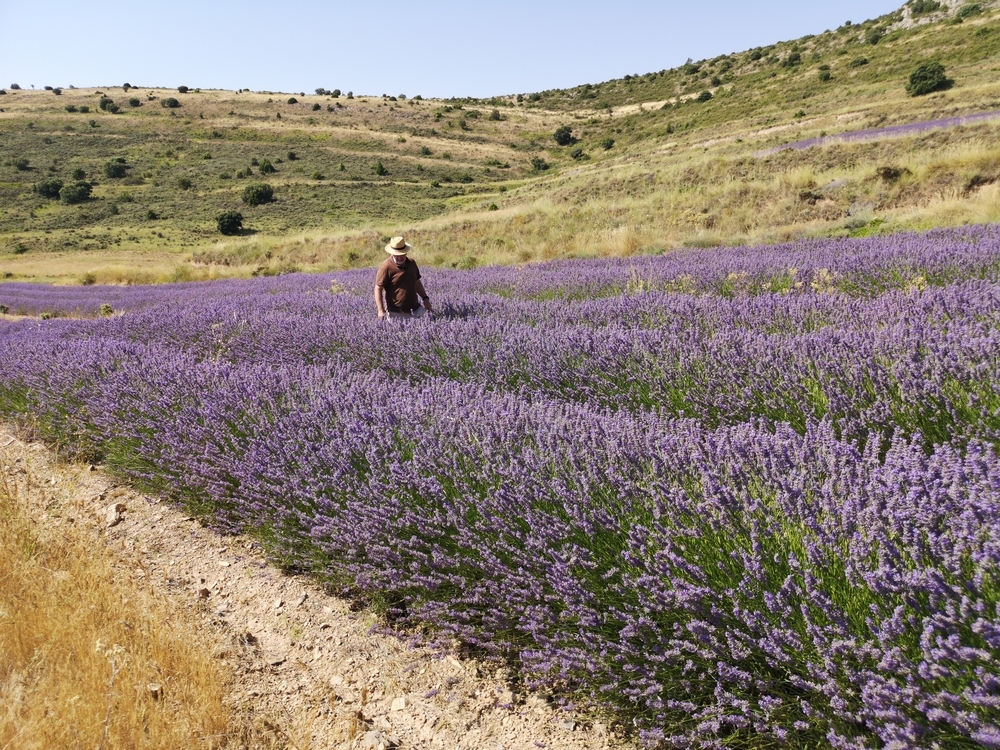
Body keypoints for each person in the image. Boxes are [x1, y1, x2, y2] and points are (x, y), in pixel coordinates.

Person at [374, 236, 433, 321]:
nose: (399, 258)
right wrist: (380, 310)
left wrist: (425, 298)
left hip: (415, 309)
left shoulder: (412, 263)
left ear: (406, 253)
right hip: (396, 312)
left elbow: (416, 282)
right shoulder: (386, 267)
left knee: (428, 324)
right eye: (396, 255)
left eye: (401, 255)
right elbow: (378, 288)